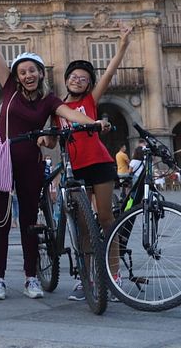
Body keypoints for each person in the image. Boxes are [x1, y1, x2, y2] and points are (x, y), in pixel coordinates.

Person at [0, 0, 109, 301]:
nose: (27, 75)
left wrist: (93, 123)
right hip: (1, 160)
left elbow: (70, 113)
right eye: (22, 71)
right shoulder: (9, 89)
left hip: (31, 164)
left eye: (32, 70)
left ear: (41, 73)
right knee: (1, 221)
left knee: (30, 224)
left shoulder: (49, 101)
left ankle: (31, 277)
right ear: (16, 75)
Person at [53, 24, 132, 300]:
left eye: (83, 78)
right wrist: (43, 141)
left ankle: (113, 274)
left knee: (106, 218)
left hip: (100, 163)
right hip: (75, 170)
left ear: (88, 84)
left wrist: (122, 44)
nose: (77, 80)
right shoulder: (56, 109)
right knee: (84, 226)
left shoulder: (90, 101)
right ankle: (87, 279)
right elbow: (51, 141)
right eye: (74, 76)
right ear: (66, 79)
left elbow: (109, 72)